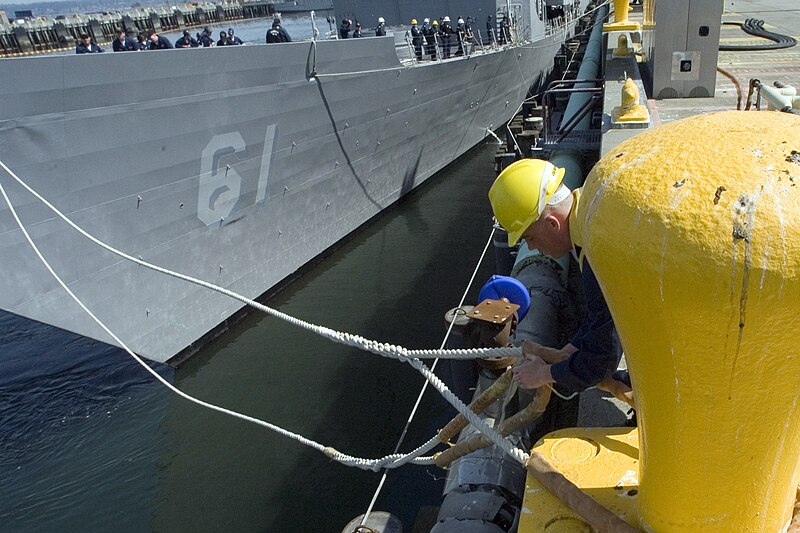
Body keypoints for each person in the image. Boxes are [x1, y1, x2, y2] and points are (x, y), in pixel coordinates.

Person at [488, 159, 620, 395]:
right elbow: (601, 318)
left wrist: (544, 374)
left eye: (530, 238)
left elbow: (602, 360)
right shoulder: (591, 206)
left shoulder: (598, 253)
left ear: (552, 223)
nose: (534, 248)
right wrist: (568, 351)